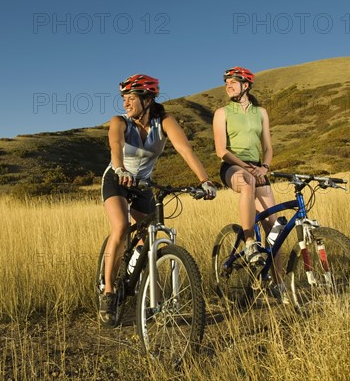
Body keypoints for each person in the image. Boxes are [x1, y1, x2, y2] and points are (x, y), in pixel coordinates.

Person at [99, 74, 217, 326]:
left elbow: (186, 150)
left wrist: (205, 181)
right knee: (120, 227)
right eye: (124, 98)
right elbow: (115, 145)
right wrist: (120, 170)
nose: (126, 104)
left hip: (144, 184)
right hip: (116, 179)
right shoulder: (119, 121)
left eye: (131, 98)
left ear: (148, 99)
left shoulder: (164, 122)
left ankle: (153, 297)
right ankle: (108, 292)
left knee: (149, 239)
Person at [212, 66, 288, 303]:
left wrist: (264, 167)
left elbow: (268, 147)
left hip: (258, 168)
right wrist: (249, 169)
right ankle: (249, 242)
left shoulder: (261, 113)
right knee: (246, 183)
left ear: (246, 85)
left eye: (233, 82)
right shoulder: (222, 113)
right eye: (227, 83)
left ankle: (279, 283)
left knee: (275, 228)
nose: (228, 86)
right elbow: (221, 151)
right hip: (233, 167)